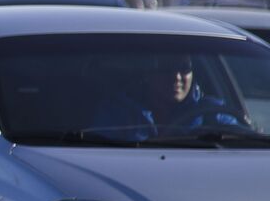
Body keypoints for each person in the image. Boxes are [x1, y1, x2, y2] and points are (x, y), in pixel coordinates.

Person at [90, 52, 242, 138]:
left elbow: (240, 140)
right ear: (149, 74)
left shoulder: (213, 114)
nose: (176, 77)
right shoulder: (119, 112)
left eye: (184, 68)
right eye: (166, 68)